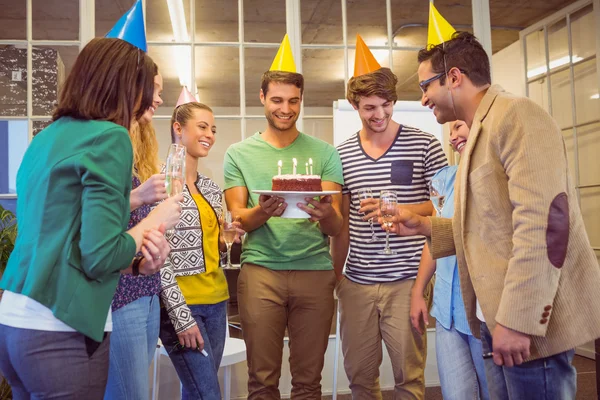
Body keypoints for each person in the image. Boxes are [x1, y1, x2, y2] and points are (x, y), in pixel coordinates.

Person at [386, 31, 600, 399]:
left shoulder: (517, 114)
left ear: (454, 78)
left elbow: (545, 225)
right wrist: (423, 226)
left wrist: (518, 321)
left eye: (425, 85)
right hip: (493, 315)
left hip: (527, 324)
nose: (423, 98)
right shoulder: (480, 133)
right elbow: (487, 226)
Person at [0, 37, 181, 400]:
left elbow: (66, 232)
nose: (148, 101)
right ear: (125, 86)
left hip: (15, 322)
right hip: (62, 329)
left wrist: (134, 264)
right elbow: (99, 255)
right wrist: (155, 218)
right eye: (145, 89)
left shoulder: (48, 135)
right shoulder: (111, 137)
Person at [223, 35, 344, 399]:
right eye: (277, 100)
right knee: (262, 379)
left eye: (293, 101)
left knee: (309, 381)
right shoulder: (238, 154)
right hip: (261, 272)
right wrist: (264, 210)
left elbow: (337, 225)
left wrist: (324, 214)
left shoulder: (324, 153)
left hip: (315, 273)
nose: (285, 108)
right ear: (262, 98)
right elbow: (238, 221)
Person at [331, 35, 447, 400]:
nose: (378, 115)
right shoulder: (342, 154)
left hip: (407, 279)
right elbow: (342, 225)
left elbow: (447, 208)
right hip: (357, 282)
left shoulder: (425, 143)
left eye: (386, 105)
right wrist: (339, 280)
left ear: (394, 101)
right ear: (354, 106)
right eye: (369, 108)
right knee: (360, 380)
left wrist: (405, 212)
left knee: (409, 380)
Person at [158, 95, 244, 400]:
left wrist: (226, 238)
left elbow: (213, 250)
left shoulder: (210, 187)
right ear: (178, 128)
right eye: (203, 126)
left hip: (217, 301)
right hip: (182, 305)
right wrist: (181, 316)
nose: (210, 134)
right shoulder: (159, 185)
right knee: (208, 394)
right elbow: (158, 259)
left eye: (214, 129)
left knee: (197, 392)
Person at [409, 120, 489, 400]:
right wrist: (419, 291)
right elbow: (436, 239)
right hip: (447, 313)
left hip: (483, 312)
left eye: (459, 126)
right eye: (451, 131)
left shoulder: (496, 176)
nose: (454, 136)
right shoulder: (444, 178)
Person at [104, 71, 169, 399]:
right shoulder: (104, 143)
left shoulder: (141, 144)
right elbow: (90, 215)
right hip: (119, 290)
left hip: (146, 287)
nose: (158, 99)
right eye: (154, 90)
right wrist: (140, 198)